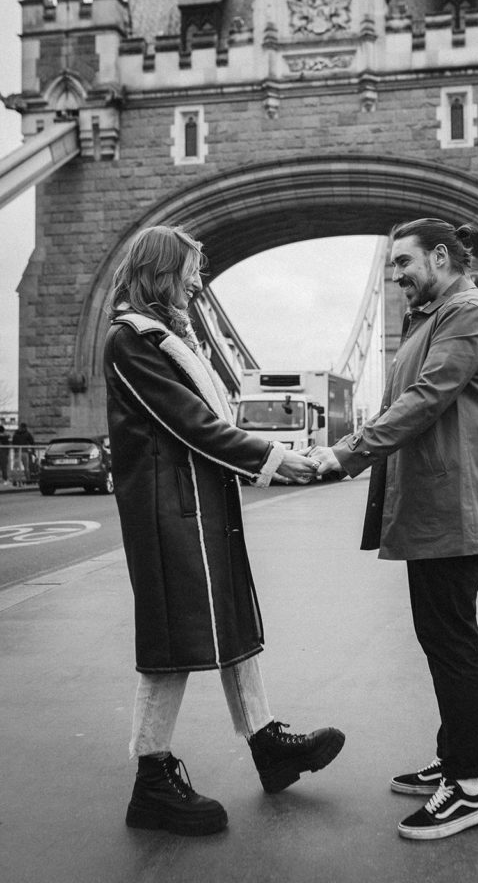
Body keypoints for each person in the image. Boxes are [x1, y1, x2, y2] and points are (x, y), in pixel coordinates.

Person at [103, 225, 344, 837]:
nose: (196, 280)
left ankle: (268, 744)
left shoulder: (166, 339)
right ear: (161, 272)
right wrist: (272, 457)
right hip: (167, 515)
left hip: (200, 505)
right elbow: (190, 425)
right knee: (172, 641)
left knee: (232, 623)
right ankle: (152, 780)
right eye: (188, 269)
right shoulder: (129, 342)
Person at [311, 217, 478, 841]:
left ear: (441, 257)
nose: (395, 275)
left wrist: (344, 452)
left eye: (403, 262)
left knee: (451, 641)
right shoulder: (431, 317)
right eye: (393, 265)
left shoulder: (468, 314)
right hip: (429, 504)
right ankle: (454, 759)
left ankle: (469, 786)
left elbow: (426, 399)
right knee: (437, 636)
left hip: (452, 505)